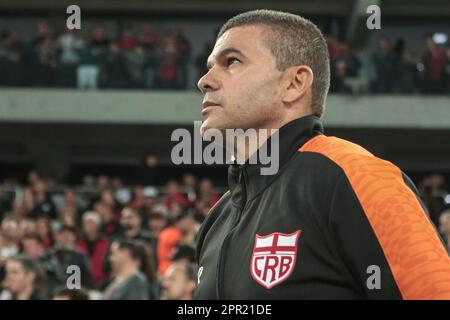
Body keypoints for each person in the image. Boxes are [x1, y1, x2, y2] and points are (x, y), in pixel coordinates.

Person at [194, 9, 450, 299]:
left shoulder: (355, 175)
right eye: (210, 65)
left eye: (231, 62)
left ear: (294, 84)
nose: (204, 80)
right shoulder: (218, 217)